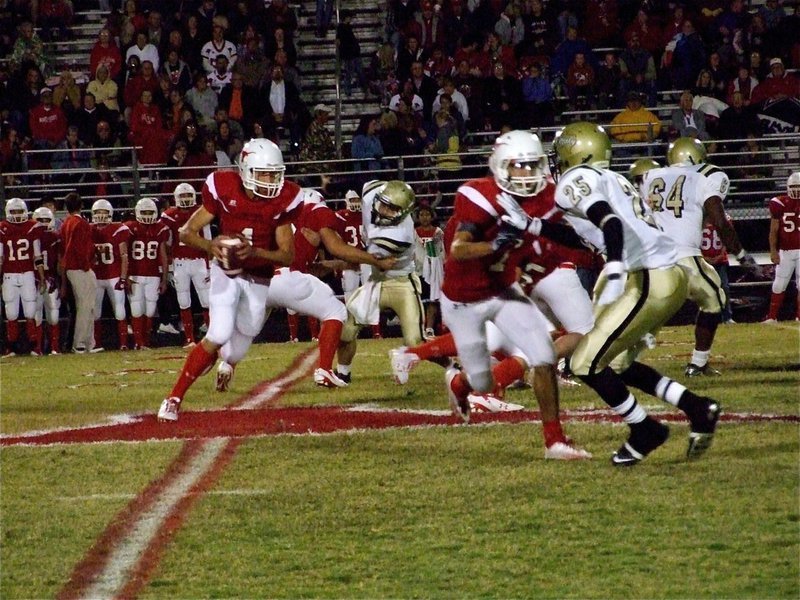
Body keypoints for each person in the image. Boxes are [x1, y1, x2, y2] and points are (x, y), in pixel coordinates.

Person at [546, 121, 721, 465]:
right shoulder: (615, 179)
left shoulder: (574, 180)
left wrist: (612, 268)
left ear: (576, 152)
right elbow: (589, 236)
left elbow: (609, 222)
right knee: (619, 363)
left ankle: (645, 430)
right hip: (666, 275)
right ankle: (698, 408)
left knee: (582, 362)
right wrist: (531, 227)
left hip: (649, 277)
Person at [431, 130, 590, 459]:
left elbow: (573, 237)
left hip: (522, 279)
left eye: (533, 166)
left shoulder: (549, 195)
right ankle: (462, 383)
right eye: (520, 166)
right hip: (484, 288)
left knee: (544, 352)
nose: (528, 174)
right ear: (501, 166)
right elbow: (459, 249)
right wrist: (498, 243)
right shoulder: (479, 195)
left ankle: (554, 440)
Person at [158, 138, 304, 422]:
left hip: (259, 276)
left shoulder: (286, 197)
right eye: (264, 173)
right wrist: (212, 247)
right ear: (246, 169)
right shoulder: (223, 185)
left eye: (275, 174)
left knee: (239, 343)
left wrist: (255, 252)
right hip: (226, 270)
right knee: (219, 332)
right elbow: (187, 232)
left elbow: (287, 256)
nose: (271, 180)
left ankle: (226, 362)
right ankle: (174, 398)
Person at [216, 187, 396, 390]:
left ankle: (226, 365)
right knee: (335, 312)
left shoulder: (277, 214)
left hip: (262, 280)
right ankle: (325, 370)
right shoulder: (317, 211)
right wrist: (375, 260)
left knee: (250, 328)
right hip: (290, 278)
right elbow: (337, 249)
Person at [642, 137, 757, 376]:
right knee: (714, 300)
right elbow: (719, 220)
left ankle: (605, 359)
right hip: (684, 256)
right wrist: (742, 254)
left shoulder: (651, 176)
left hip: (651, 256)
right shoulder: (706, 175)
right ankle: (698, 363)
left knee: (641, 311)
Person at [334, 180, 423, 384]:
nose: (383, 211)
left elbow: (372, 259)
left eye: (391, 209)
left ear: (403, 213)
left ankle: (453, 367)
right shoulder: (370, 194)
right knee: (346, 331)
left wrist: (335, 258)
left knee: (416, 342)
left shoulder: (401, 235)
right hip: (376, 280)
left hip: (401, 283)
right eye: (383, 203)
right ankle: (343, 372)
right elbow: (371, 185)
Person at [159, 183, 211, 348]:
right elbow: (166, 243)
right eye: (182, 196)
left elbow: (208, 240)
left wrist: (210, 264)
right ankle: (189, 339)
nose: (186, 199)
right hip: (180, 262)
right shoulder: (169, 216)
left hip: (199, 261)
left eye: (188, 195)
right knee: (183, 300)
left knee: (206, 300)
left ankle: (211, 337)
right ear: (176, 198)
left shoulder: (201, 211)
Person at [335, 190, 383, 339]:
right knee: (350, 295)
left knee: (372, 294)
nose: (356, 203)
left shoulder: (368, 216)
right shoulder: (340, 216)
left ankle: (376, 331)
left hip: (365, 258)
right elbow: (336, 240)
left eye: (357, 199)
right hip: (349, 260)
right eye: (353, 200)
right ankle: (351, 330)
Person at [0, 199, 46, 356]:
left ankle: (34, 346)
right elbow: (0, 257)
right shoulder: (3, 228)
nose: (18, 215)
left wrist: (41, 276)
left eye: (20, 211)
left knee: (30, 310)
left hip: (27, 274)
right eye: (14, 212)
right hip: (9, 275)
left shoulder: (32, 227)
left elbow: (37, 255)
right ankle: (11, 347)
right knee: (11, 312)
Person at [124, 198, 169, 350]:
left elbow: (163, 255)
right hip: (135, 274)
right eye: (144, 212)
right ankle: (139, 342)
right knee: (137, 308)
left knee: (150, 310)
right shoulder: (130, 228)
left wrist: (164, 279)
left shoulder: (160, 228)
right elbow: (125, 254)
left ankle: (146, 341)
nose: (148, 215)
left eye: (150, 212)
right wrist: (127, 276)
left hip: (153, 274)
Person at [91, 199, 131, 351]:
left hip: (114, 275)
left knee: (119, 310)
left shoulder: (118, 229)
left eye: (104, 212)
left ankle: (124, 343)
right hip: (96, 276)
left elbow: (124, 256)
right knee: (96, 312)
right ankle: (97, 343)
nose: (101, 215)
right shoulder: (89, 230)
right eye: (98, 212)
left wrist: (123, 277)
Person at [60, 192, 98, 353]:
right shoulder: (81, 223)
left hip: (71, 267)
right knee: (85, 306)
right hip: (79, 267)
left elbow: (64, 246)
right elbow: (78, 247)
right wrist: (85, 265)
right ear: (81, 205)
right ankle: (81, 343)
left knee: (87, 306)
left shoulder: (66, 222)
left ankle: (89, 342)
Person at [764, 172, 800, 323]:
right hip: (785, 250)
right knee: (779, 283)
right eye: (794, 187)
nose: (796, 190)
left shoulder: (780, 202)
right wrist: (773, 251)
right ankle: (772, 316)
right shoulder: (780, 203)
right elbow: (773, 230)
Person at [31, 206, 63, 355]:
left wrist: (60, 280)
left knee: (53, 314)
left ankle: (54, 347)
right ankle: (37, 347)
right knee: (36, 313)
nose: (43, 223)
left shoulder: (55, 237)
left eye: (46, 220)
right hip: (34, 278)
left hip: (50, 278)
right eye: (40, 220)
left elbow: (59, 261)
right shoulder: (30, 236)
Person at [414, 205, 444, 338]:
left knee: (433, 299)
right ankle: (418, 326)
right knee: (420, 300)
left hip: (434, 270)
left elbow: (440, 250)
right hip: (418, 270)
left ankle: (429, 327)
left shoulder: (438, 232)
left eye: (427, 214)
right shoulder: (414, 232)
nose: (424, 217)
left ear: (432, 216)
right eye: (422, 215)